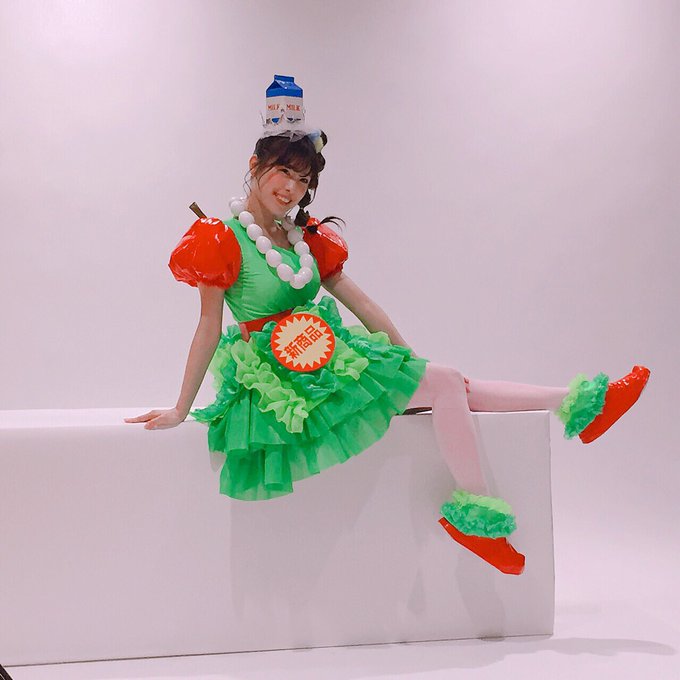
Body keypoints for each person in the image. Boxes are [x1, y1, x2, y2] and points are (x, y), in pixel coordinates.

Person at [126, 75, 650, 575]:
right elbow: (207, 325)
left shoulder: (305, 239)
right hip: (280, 380)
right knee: (448, 383)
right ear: (255, 165)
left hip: (325, 354)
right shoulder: (220, 237)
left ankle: (578, 408)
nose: (292, 189)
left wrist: (406, 359)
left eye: (304, 180)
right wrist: (180, 407)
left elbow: (364, 305)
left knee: (446, 382)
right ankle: (514, 477)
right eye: (284, 172)